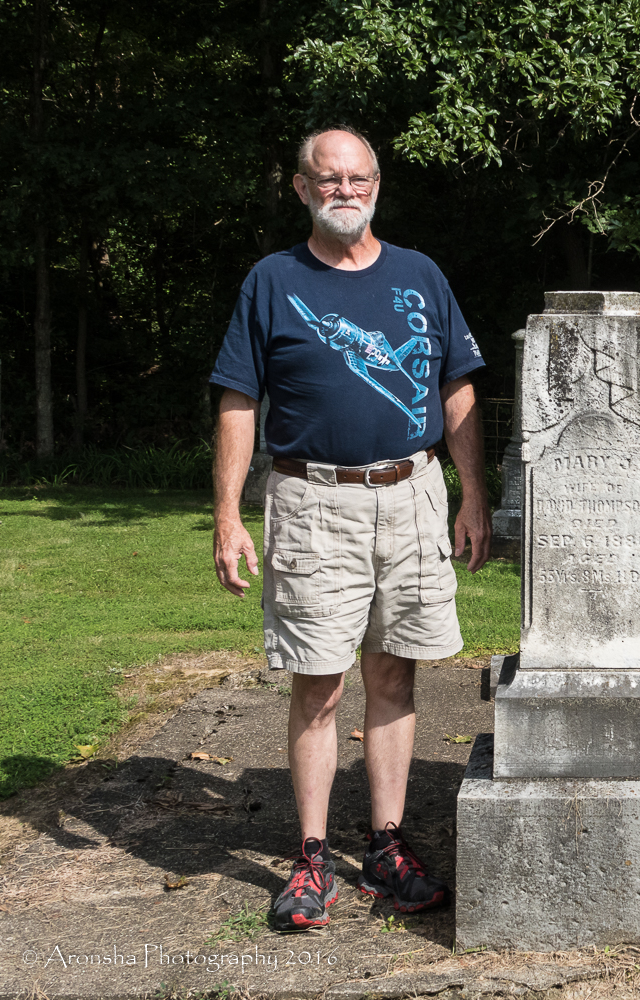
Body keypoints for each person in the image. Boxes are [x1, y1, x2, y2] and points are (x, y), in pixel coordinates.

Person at [209, 126, 491, 932]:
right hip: (314, 503)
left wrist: (474, 493)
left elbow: (458, 384)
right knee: (320, 683)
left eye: (358, 178)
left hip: (412, 494)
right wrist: (228, 516)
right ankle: (311, 856)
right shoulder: (271, 281)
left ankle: (388, 845)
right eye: (327, 179)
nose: (344, 189)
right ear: (301, 188)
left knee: (396, 677)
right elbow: (237, 400)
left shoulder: (421, 274)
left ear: (377, 185)